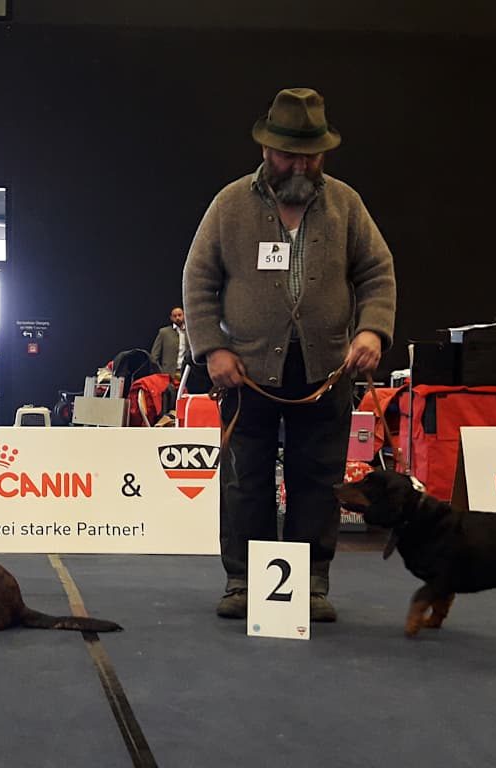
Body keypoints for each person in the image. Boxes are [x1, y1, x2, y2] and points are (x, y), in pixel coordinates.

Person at [183, 87, 396, 622]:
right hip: (246, 370)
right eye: (289, 154)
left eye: (310, 154)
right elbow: (199, 279)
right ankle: (242, 581)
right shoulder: (229, 204)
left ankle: (310, 583)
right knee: (244, 477)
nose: (300, 164)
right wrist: (213, 348)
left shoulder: (346, 203)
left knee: (319, 479)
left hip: (327, 368)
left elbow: (376, 273)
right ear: (266, 150)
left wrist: (371, 332)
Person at [150, 306, 188, 376]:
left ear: (184, 315)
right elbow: (154, 357)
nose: (177, 318)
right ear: (171, 318)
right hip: (168, 373)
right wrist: (160, 373)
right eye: (174, 316)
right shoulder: (164, 332)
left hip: (186, 373)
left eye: (179, 315)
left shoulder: (190, 333)